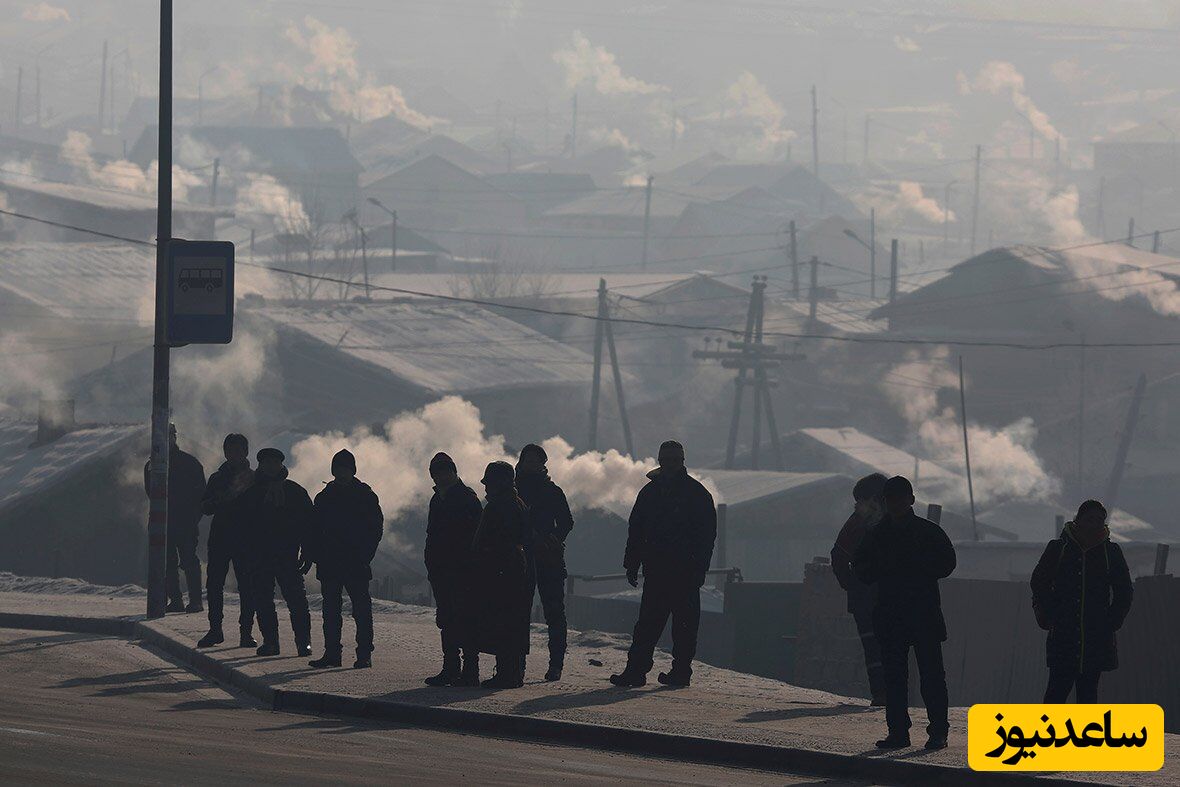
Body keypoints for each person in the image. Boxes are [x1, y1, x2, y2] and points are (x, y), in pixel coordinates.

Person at [854, 476, 956, 751]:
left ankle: (937, 733)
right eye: (892, 499)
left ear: (911, 500)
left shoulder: (926, 532)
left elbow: (947, 563)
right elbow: (860, 566)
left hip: (921, 614)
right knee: (896, 680)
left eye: (901, 498)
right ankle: (899, 733)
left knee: (931, 678)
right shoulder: (879, 534)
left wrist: (914, 569)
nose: (897, 504)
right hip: (893, 615)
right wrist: (883, 570)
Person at [611, 440, 716, 689]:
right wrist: (631, 563)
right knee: (648, 626)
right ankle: (638, 672)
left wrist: (698, 569)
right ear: (660, 460)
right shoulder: (652, 493)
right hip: (659, 572)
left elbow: (706, 538)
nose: (669, 464)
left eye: (673, 460)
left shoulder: (695, 494)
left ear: (681, 461)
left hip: (683, 573)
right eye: (666, 459)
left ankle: (677, 673)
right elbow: (636, 531)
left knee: (682, 628)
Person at [1031, 500, 1133, 703]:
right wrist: (1049, 616)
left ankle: (1084, 735)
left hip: (1095, 639)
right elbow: (1039, 583)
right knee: (1056, 693)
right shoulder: (1058, 549)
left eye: (1099, 520)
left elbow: (1124, 591)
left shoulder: (1110, 552)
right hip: (1063, 637)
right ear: (1078, 521)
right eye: (1090, 519)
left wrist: (1112, 621)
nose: (1095, 525)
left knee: (1087, 695)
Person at [309, 450, 384, 670]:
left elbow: (375, 529)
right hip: (331, 562)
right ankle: (332, 653)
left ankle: (363, 654)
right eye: (339, 468)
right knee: (331, 610)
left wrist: (364, 555)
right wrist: (318, 555)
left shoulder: (365, 495)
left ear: (352, 470)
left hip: (355, 561)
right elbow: (314, 529)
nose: (342, 472)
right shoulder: (324, 497)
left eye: (345, 468)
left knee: (360, 609)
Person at [239, 447, 314, 657]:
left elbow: (308, 525)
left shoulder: (294, 492)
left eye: (274, 462)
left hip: (287, 556)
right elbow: (243, 528)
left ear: (281, 465)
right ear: (261, 466)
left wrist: (307, 552)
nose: (270, 467)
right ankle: (271, 642)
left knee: (297, 601)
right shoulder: (252, 493)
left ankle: (303, 643)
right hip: (259, 556)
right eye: (266, 463)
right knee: (263, 601)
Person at [515, 443, 575, 682]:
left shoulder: (552, 491)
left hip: (547, 558)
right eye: (527, 460)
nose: (531, 465)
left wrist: (552, 539)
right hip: (522, 557)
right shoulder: (513, 489)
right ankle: (517, 663)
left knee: (554, 613)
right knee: (519, 613)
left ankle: (555, 665)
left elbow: (566, 522)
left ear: (543, 465)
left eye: (535, 461)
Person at [423, 452, 483, 687]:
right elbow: (432, 535)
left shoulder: (467, 498)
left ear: (453, 472)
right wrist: (431, 564)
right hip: (442, 570)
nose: (441, 476)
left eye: (445, 471)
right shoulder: (437, 499)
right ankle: (450, 668)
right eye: (437, 473)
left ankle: (469, 671)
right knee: (447, 619)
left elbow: (476, 537)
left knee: (465, 619)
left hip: (463, 570)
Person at [471, 460, 531, 689]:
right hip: (511, 570)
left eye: (490, 483)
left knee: (504, 623)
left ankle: (507, 673)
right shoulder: (516, 503)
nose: (486, 488)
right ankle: (511, 672)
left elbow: (495, 541)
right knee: (511, 623)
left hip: (501, 572)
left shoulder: (499, 506)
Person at [830, 473, 888, 706]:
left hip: (870, 598)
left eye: (860, 500)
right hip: (879, 598)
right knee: (883, 647)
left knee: (875, 648)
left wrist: (853, 585)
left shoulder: (857, 524)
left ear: (873, 499)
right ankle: (886, 695)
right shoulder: (894, 521)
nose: (857, 505)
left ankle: (883, 694)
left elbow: (838, 557)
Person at [197, 433, 258, 648]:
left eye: (238, 450)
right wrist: (220, 499)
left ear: (245, 452)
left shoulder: (254, 478)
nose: (234, 454)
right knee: (214, 585)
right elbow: (205, 507)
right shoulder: (217, 478)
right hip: (221, 538)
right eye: (230, 450)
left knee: (247, 587)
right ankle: (215, 630)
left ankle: (246, 632)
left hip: (245, 539)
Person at [143, 423, 206, 613]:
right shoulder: (152, 465)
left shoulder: (189, 463)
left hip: (184, 521)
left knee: (188, 561)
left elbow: (201, 496)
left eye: (167, 436)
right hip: (163, 522)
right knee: (166, 562)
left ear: (174, 438)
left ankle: (195, 601)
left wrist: (192, 518)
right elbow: (151, 494)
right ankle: (176, 600)